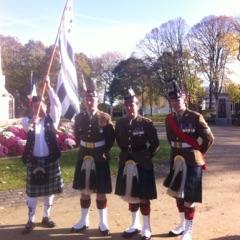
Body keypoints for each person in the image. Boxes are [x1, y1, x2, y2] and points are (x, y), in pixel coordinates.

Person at [163, 80, 214, 240]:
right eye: (173, 100)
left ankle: (188, 231)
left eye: (178, 99)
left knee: (189, 198)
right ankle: (181, 225)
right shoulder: (168, 119)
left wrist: (199, 153)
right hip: (176, 160)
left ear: (184, 98)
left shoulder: (195, 117)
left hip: (192, 162)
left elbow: (209, 138)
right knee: (178, 195)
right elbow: (172, 141)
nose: (176, 103)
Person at [115, 88, 159, 240]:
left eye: (132, 104)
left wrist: (146, 156)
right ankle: (135, 224)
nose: (129, 107)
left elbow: (155, 143)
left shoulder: (146, 123)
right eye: (126, 105)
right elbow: (120, 142)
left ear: (137, 105)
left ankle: (146, 227)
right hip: (126, 161)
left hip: (143, 163)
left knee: (143, 196)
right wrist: (127, 155)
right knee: (130, 194)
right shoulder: (119, 123)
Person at [21, 76, 63, 234]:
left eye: (42, 106)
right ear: (33, 108)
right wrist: (32, 121)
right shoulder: (27, 121)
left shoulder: (53, 120)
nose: (40, 109)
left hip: (50, 160)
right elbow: (26, 126)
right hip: (34, 161)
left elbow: (57, 104)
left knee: (49, 192)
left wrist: (49, 87)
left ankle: (46, 217)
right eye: (36, 106)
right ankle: (30, 220)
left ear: (46, 106)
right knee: (32, 194)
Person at [71, 86, 115, 236]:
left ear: (98, 101)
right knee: (84, 190)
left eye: (92, 99)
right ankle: (84, 220)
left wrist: (104, 151)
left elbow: (110, 139)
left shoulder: (105, 117)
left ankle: (103, 222)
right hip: (84, 156)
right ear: (84, 101)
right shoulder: (79, 117)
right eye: (87, 99)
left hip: (99, 157)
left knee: (101, 191)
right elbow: (77, 135)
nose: (90, 102)